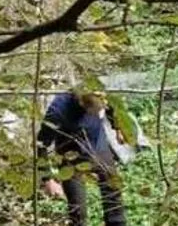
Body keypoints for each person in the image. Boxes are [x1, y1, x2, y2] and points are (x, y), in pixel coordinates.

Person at [37, 90, 129, 226]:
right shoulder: (58, 111)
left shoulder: (99, 93)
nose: (98, 114)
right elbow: (41, 145)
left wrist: (118, 129)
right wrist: (47, 179)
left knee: (113, 189)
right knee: (78, 210)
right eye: (94, 112)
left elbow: (112, 107)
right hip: (70, 157)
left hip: (98, 146)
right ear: (82, 104)